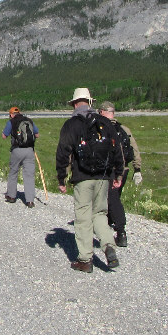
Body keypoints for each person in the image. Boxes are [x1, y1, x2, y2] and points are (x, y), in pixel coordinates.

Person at [55, 87, 124, 273]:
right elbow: (116, 148)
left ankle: (85, 260)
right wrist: (118, 173)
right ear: (90, 102)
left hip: (82, 176)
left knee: (83, 217)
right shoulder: (104, 122)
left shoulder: (72, 124)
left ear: (75, 103)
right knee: (100, 213)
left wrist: (61, 178)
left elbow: (63, 152)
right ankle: (108, 245)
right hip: (103, 176)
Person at [98, 101, 143, 247]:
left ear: (102, 112)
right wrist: (137, 169)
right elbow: (134, 149)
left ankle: (120, 231)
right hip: (124, 170)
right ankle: (109, 224)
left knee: (112, 200)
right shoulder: (124, 129)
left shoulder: (101, 128)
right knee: (114, 197)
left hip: (109, 170)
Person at [1, 106, 39, 207]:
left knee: (13, 172)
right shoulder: (29, 121)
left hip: (17, 150)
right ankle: (30, 200)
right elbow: (37, 134)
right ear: (20, 113)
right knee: (29, 175)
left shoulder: (11, 122)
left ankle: (11, 196)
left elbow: (4, 136)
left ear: (11, 114)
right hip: (30, 150)